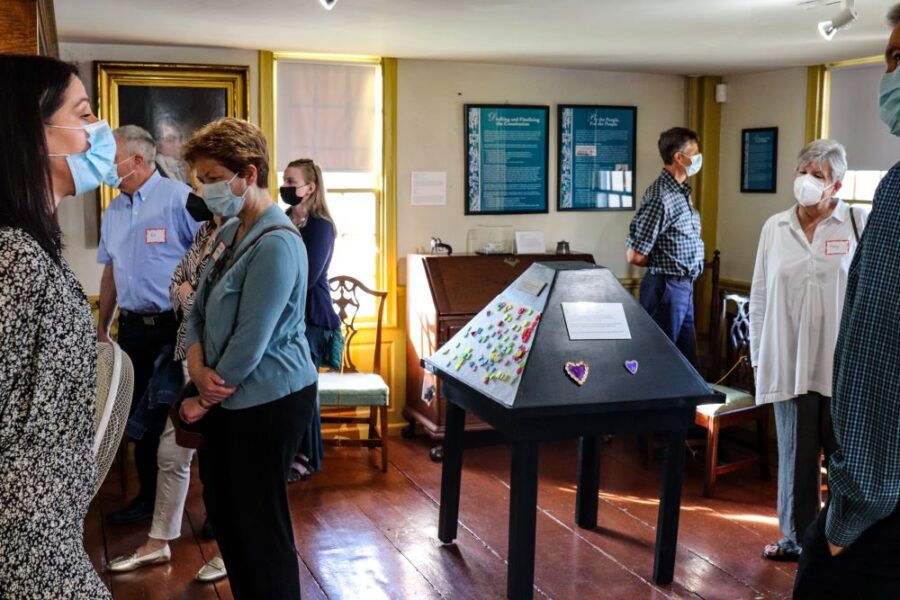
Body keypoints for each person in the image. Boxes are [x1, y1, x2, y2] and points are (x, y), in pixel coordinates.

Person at [180, 118, 318, 600]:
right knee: (226, 514)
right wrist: (196, 368)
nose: (206, 189)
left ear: (249, 174)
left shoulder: (277, 242)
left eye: (215, 178)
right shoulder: (231, 231)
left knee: (260, 526)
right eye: (202, 179)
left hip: (269, 399)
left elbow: (250, 341)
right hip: (224, 395)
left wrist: (204, 397)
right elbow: (196, 309)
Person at [793, 5, 900, 597]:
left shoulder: (893, 196)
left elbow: (880, 352)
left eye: (898, 58)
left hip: (882, 505)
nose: (889, 77)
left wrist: (851, 511)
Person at [0, 54, 112, 598]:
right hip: (23, 535)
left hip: (48, 521)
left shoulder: (31, 246)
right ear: (31, 132)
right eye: (84, 114)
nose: (98, 131)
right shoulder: (13, 254)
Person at [749, 139, 866, 562]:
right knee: (796, 457)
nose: (807, 181)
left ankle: (844, 538)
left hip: (843, 366)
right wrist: (759, 357)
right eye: (803, 172)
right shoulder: (775, 227)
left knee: (845, 458)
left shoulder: (857, 222)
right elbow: (760, 295)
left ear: (837, 185)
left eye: (818, 175)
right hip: (789, 362)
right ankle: (798, 539)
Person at [107, 182, 226, 582]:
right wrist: (190, 295)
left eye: (203, 181)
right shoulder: (205, 232)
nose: (194, 190)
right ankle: (158, 542)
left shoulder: (244, 234)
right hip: (188, 357)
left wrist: (191, 295)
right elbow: (176, 284)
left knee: (223, 461)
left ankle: (231, 548)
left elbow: (216, 303)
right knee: (171, 452)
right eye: (195, 181)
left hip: (225, 367)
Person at [98, 124, 200, 526]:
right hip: (132, 330)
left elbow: (208, 255)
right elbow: (110, 272)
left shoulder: (178, 199)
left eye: (111, 159)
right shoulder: (113, 210)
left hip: (174, 328)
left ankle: (199, 508)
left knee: (176, 417)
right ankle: (147, 499)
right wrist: (102, 327)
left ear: (137, 160)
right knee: (137, 417)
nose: (106, 167)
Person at [281, 158, 341, 481]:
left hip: (313, 317)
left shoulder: (321, 226)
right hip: (287, 317)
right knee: (289, 387)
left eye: (292, 182)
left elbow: (308, 275)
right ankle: (290, 451)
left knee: (305, 387)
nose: (286, 187)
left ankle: (307, 455)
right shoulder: (283, 218)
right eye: (285, 180)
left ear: (310, 187)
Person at [626, 127, 705, 364]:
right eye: (695, 154)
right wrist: (665, 262)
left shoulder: (681, 192)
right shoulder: (661, 196)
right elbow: (635, 255)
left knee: (685, 362)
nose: (699, 159)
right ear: (678, 157)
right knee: (659, 360)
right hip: (666, 287)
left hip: (684, 286)